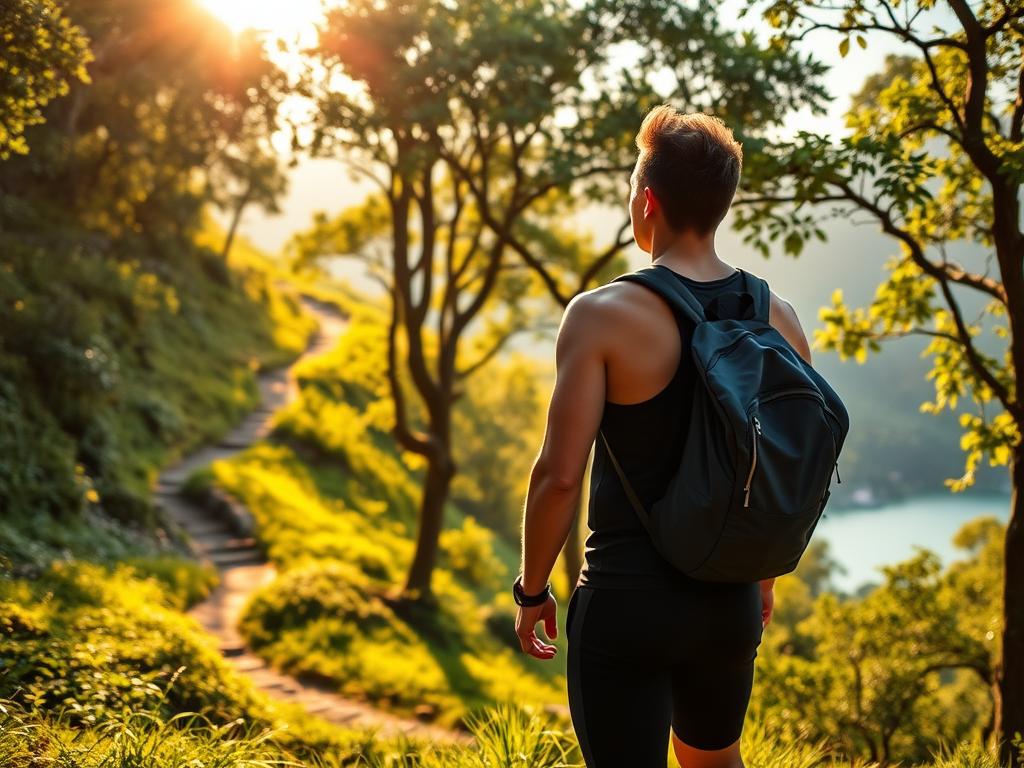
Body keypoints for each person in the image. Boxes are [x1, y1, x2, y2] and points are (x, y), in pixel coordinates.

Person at [514, 104, 814, 768]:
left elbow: (559, 476)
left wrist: (533, 589)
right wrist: (760, 582)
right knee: (714, 762)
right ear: (721, 205)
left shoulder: (602, 316)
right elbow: (782, 473)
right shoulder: (782, 319)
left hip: (628, 604)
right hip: (730, 602)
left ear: (646, 201)